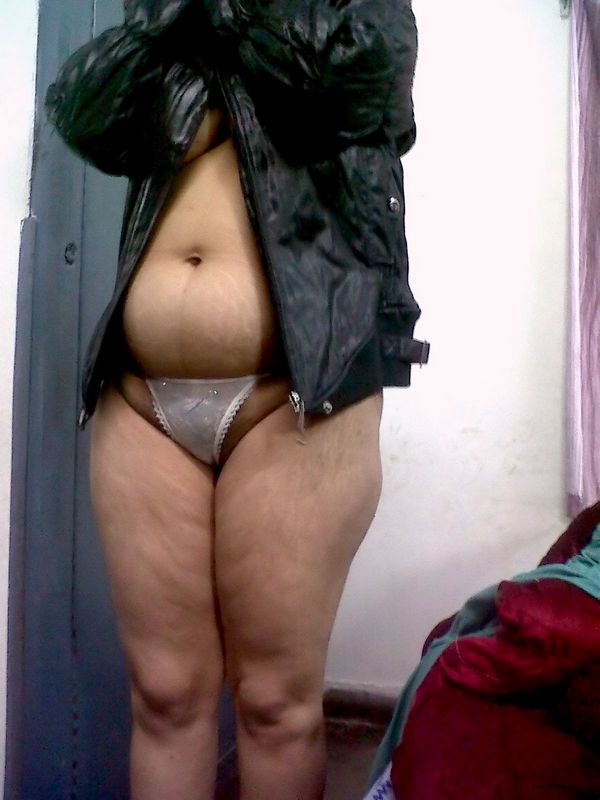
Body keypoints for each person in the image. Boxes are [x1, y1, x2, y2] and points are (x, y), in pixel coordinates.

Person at [45, 1, 428, 797]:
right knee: (164, 696)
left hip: (299, 394)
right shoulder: (176, 15)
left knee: (274, 705)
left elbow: (353, 90)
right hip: (139, 398)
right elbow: (87, 112)